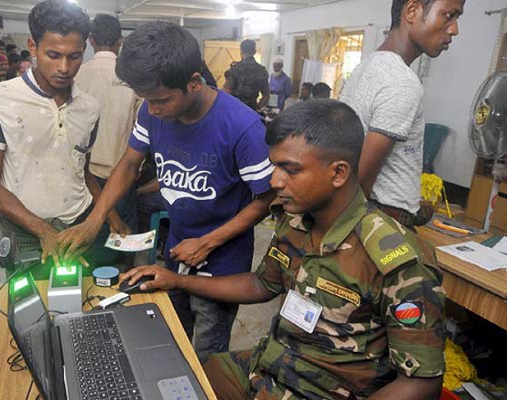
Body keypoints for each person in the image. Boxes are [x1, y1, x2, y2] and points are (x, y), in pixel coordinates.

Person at [122, 100, 446, 399]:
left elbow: (421, 381)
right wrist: (178, 280)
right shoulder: (295, 220)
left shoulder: (398, 261)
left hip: (324, 391)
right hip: (272, 367)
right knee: (180, 381)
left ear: (338, 172)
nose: (275, 181)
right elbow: (262, 284)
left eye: (289, 169)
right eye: (274, 166)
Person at [57, 21, 277, 363]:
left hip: (222, 263)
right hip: (177, 249)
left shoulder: (242, 127)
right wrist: (95, 220)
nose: (152, 110)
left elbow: (267, 200)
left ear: (194, 82)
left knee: (207, 354)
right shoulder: (152, 111)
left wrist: (207, 242)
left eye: (161, 100)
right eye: (146, 100)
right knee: (171, 336)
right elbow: (129, 165)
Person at [0, 0, 123, 272]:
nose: (64, 67)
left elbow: (82, 170)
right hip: (25, 230)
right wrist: (43, 230)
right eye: (53, 55)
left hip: (78, 227)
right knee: (29, 297)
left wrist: (110, 216)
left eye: (74, 56)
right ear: (33, 46)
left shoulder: (89, 108)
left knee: (80, 295)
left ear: (85, 49)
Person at [340, 0, 464, 230]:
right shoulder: (402, 82)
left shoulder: (366, 65)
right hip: (381, 220)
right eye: (449, 15)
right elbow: (361, 179)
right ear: (412, 11)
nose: (455, 29)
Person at [75, 13, 141, 266]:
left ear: (90, 40)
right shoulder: (133, 79)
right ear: (120, 41)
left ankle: (93, 285)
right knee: (123, 238)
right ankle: (126, 283)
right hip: (122, 172)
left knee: (90, 239)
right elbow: (141, 129)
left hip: (83, 175)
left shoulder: (75, 75)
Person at [224, 39, 270, 110]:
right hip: (251, 110)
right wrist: (257, 107)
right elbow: (266, 96)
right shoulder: (262, 71)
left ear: (241, 51)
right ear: (254, 51)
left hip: (235, 109)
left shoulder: (235, 69)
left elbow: (227, 92)